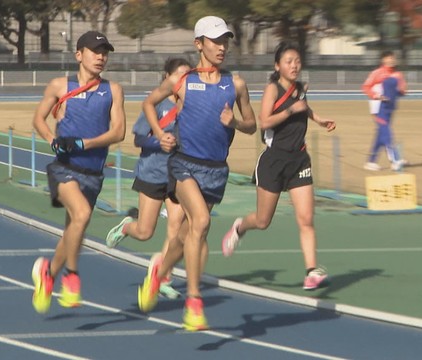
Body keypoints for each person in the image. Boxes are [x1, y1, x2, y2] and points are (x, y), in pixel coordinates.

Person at [136, 16, 257, 331]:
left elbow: (252, 124)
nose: (222, 47)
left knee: (183, 235)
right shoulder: (183, 81)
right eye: (215, 41)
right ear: (198, 44)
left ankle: (158, 275)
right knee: (201, 223)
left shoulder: (237, 84)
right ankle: (193, 302)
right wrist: (159, 134)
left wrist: (235, 123)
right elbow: (149, 103)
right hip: (184, 164)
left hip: (216, 170)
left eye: (225, 40)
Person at [220, 42, 336, 291]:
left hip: (299, 160)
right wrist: (290, 110)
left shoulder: (300, 88)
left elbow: (303, 106)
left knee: (306, 219)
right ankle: (240, 227)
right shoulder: (272, 88)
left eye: (297, 60)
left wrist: (318, 119)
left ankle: (311, 271)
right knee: (263, 221)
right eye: (288, 61)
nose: (294, 65)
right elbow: (264, 121)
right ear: (277, 66)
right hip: (273, 161)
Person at [30, 31, 126, 314]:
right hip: (64, 169)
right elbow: (38, 117)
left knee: (73, 230)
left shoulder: (113, 90)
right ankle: (71, 276)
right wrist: (52, 140)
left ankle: (48, 274)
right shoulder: (60, 86)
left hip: (93, 173)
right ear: (79, 54)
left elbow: (118, 132)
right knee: (82, 215)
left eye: (105, 52)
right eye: (95, 51)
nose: (101, 57)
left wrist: (85, 143)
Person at [105, 58, 191, 299]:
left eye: (188, 76)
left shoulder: (193, 105)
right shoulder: (158, 104)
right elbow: (138, 139)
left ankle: (163, 276)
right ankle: (126, 227)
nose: (184, 80)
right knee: (145, 232)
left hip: (180, 175)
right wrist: (158, 141)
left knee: (177, 228)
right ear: (167, 77)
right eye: (180, 75)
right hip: (153, 172)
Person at [362, 51, 407, 171]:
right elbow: (366, 87)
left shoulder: (398, 74)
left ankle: (371, 162)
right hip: (377, 107)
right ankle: (395, 159)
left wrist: (400, 91)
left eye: (393, 58)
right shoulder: (377, 73)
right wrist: (377, 96)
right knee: (386, 133)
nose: (391, 60)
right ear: (383, 60)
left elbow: (403, 90)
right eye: (388, 58)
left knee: (381, 134)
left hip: (390, 108)